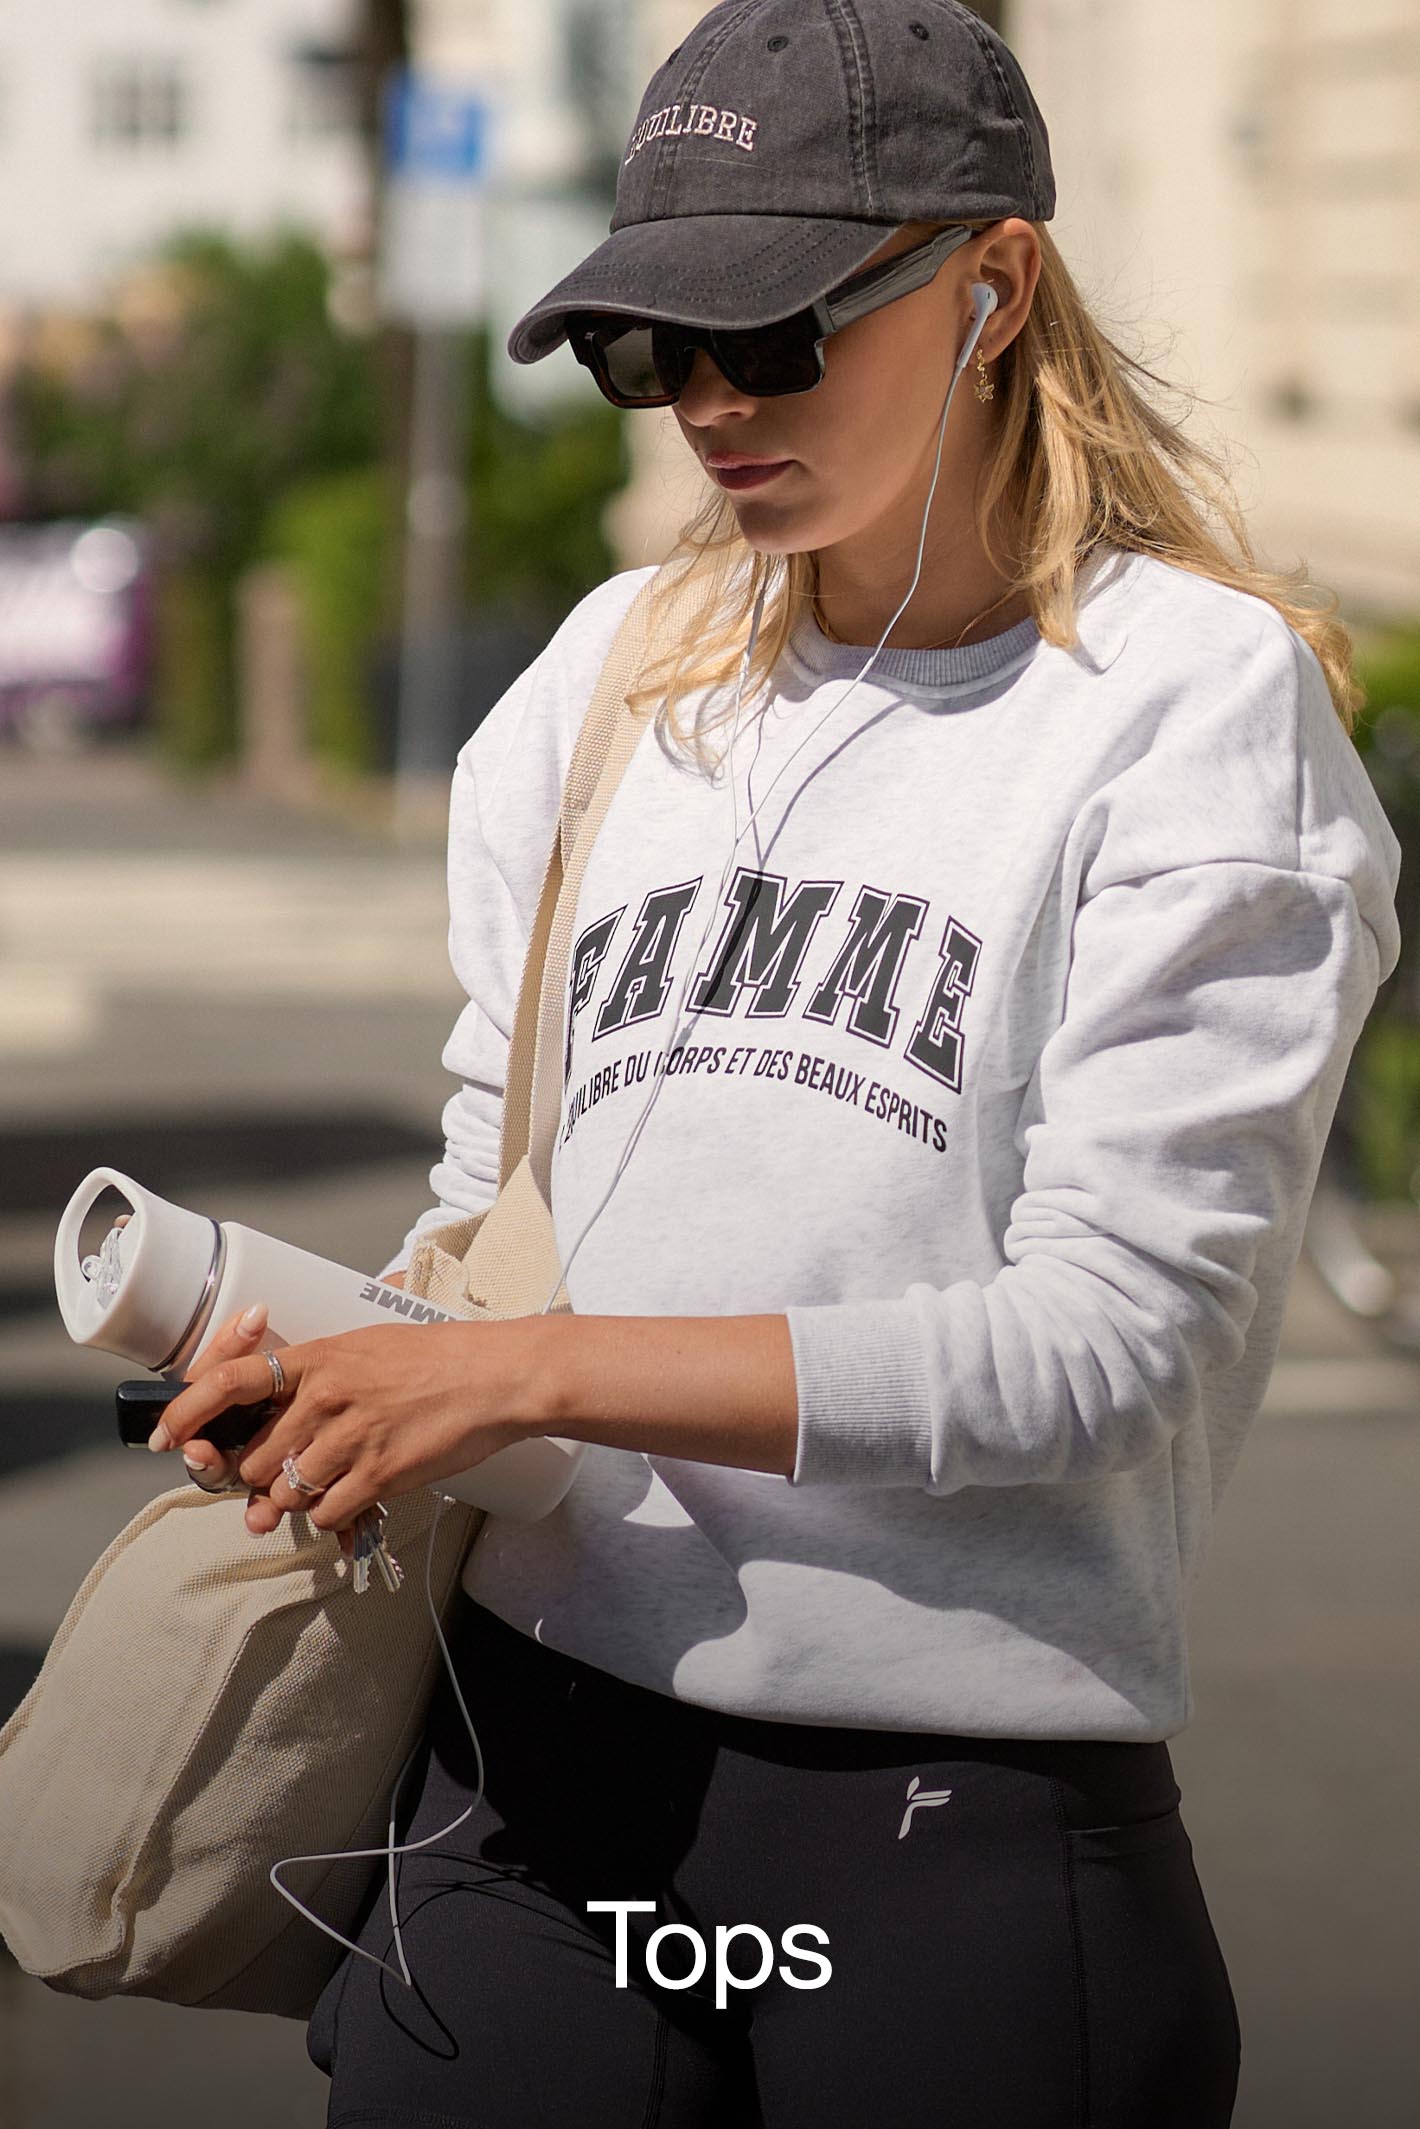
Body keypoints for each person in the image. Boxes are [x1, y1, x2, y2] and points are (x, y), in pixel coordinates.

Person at [155, 3, 1401, 2123]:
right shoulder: (611, 673)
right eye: (652, 349)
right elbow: (495, 1208)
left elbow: (1117, 1346)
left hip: (945, 1817)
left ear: (992, 287)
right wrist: (359, 1373)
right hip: (521, 1781)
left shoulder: (1187, 712)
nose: (711, 404)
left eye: (773, 332)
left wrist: (531, 1375)